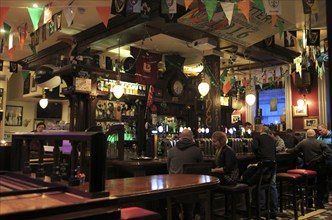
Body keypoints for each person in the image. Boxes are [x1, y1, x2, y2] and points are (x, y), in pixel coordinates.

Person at [286, 129, 332, 209]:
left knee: (309, 183)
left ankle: (309, 202)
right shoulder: (320, 142)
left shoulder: (303, 142)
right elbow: (329, 152)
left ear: (306, 135)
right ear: (315, 135)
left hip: (309, 167)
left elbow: (293, 151)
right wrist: (319, 158)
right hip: (321, 167)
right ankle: (319, 202)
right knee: (321, 184)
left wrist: (286, 150)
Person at [167, 129, 203, 220]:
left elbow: (168, 168)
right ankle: (195, 214)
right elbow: (201, 169)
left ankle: (179, 212)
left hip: (173, 188)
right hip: (191, 188)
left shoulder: (171, 151)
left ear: (179, 137)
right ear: (192, 138)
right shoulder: (197, 151)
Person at [252, 126, 278, 219]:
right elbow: (275, 151)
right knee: (272, 185)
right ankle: (274, 210)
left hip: (263, 164)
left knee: (260, 184)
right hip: (273, 163)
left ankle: (261, 208)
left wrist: (259, 155)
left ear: (260, 131)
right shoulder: (271, 138)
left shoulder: (257, 137)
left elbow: (254, 148)